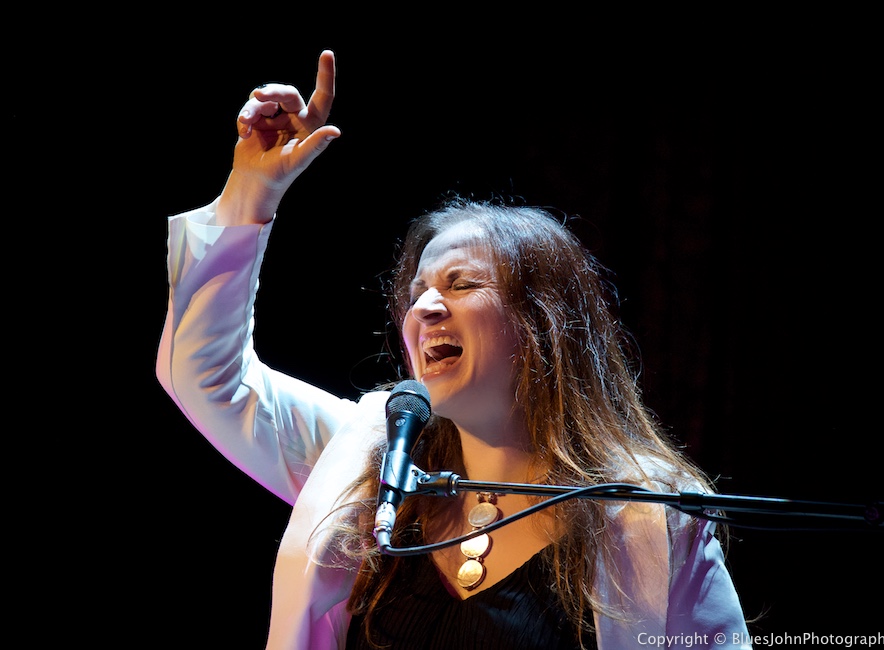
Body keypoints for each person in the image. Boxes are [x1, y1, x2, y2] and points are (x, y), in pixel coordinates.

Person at [156, 49, 752, 649]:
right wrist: (250, 194)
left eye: (462, 284)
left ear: (542, 324)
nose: (425, 309)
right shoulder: (368, 466)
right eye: (417, 293)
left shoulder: (649, 520)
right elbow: (209, 380)